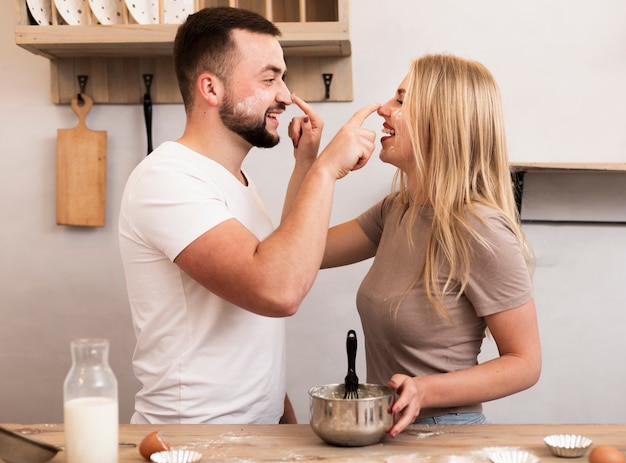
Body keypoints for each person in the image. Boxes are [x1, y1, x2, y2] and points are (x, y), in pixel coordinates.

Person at [118, 6, 378, 425]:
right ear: (211, 88)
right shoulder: (167, 179)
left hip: (250, 436)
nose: (286, 95)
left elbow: (283, 256)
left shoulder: (234, 179)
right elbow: (278, 289)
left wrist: (306, 163)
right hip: (192, 445)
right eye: (269, 77)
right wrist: (328, 169)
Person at [289, 54, 541, 437]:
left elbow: (526, 362)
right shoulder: (396, 211)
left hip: (446, 434)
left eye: (402, 101)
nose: (384, 110)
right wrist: (311, 162)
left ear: (441, 122)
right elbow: (296, 250)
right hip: (391, 431)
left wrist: (425, 389)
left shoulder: (480, 229)